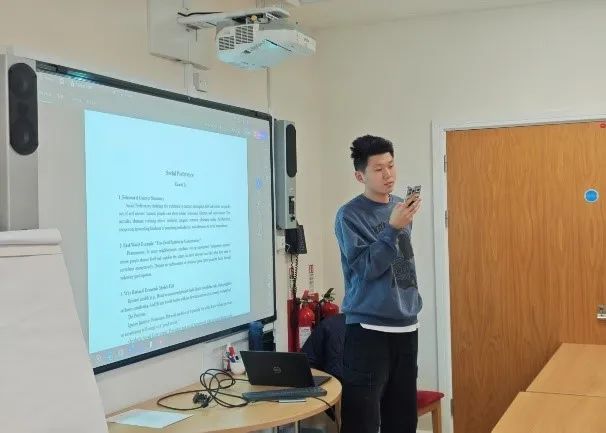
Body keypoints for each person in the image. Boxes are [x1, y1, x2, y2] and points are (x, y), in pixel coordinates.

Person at [334, 135, 422, 433]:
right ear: (360, 176)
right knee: (363, 421)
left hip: (406, 326)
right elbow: (366, 269)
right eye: (379, 169)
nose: (388, 175)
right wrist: (392, 228)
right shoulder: (349, 215)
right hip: (368, 329)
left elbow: (401, 262)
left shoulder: (399, 207)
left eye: (391, 166)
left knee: (403, 421)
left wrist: (409, 302)